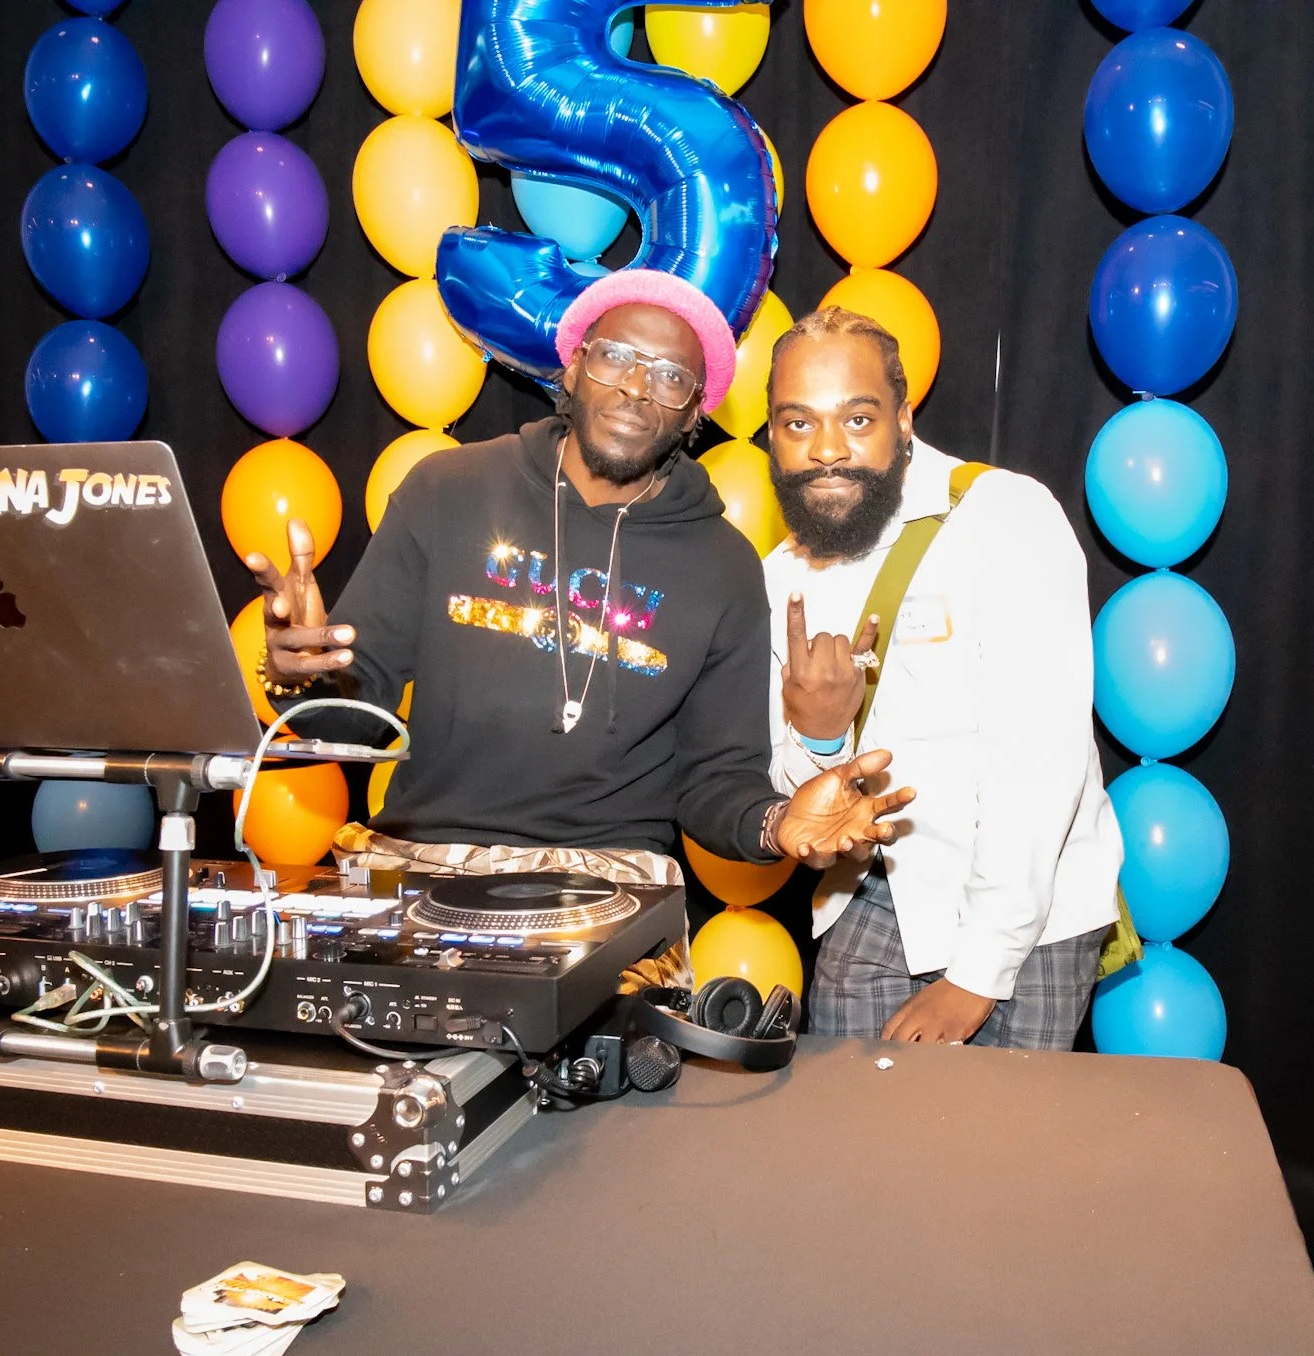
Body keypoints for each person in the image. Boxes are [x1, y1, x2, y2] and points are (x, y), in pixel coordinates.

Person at [248, 270, 913, 897]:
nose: (635, 387)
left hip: (611, 889)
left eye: (670, 375)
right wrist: (301, 672)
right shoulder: (447, 491)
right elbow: (354, 714)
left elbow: (716, 783)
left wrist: (778, 826)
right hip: (426, 866)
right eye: (614, 356)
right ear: (573, 366)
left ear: (693, 415)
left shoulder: (724, 566)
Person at [761, 307, 1124, 1047]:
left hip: (1033, 916)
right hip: (873, 900)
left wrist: (976, 977)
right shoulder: (780, 578)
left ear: (903, 417)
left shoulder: (1002, 514)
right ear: (770, 434)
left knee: (998, 1156)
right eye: (798, 424)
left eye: (857, 419)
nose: (827, 449)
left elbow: (1039, 766)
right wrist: (822, 734)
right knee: (858, 1150)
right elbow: (800, 794)